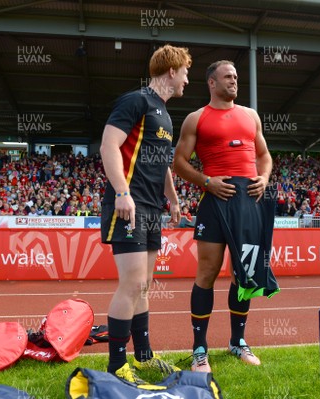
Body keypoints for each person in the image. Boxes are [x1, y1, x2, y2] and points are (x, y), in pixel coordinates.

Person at [173, 60, 279, 372]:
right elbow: (179, 162)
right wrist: (207, 181)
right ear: (211, 82)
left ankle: (238, 342)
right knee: (207, 272)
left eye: (235, 76)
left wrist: (265, 177)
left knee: (244, 272)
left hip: (250, 200)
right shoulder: (196, 119)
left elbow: (264, 155)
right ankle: (199, 350)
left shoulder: (250, 116)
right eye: (227, 77)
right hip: (215, 200)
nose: (234, 81)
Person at [100, 44, 191, 383]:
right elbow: (108, 145)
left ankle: (143, 357)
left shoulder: (165, 113)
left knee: (145, 287)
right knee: (133, 283)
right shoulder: (135, 101)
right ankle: (117, 367)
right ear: (171, 71)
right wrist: (122, 193)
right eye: (185, 73)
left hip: (152, 207)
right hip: (129, 204)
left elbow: (162, 163)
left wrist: (173, 198)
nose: (187, 80)